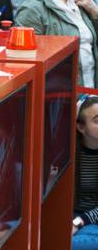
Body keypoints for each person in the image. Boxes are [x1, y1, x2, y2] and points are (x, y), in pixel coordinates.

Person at [73, 96, 98, 249]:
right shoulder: (69, 153)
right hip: (70, 217)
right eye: (97, 120)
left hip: (92, 222)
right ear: (81, 128)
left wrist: (79, 222)